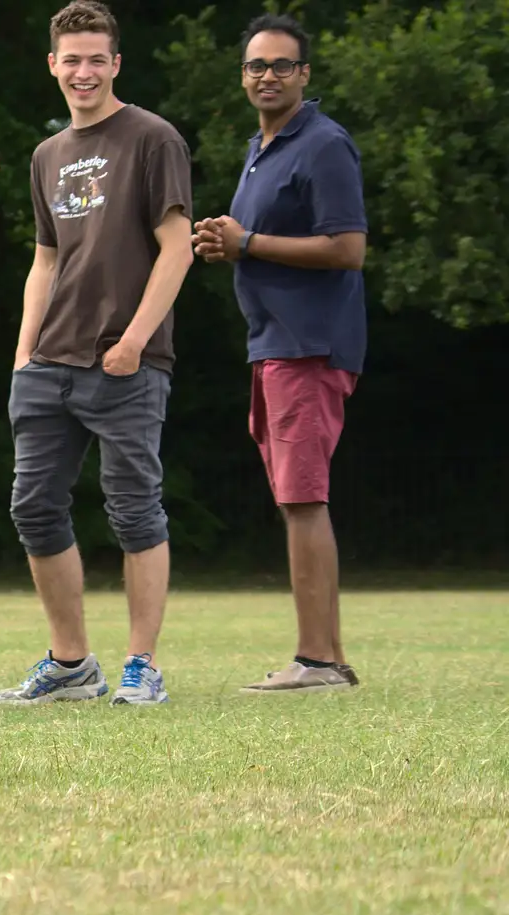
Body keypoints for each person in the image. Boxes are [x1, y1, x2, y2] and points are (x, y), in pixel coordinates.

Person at [0, 0, 193, 708]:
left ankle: (142, 666)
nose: (83, 72)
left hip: (128, 362)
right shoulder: (47, 154)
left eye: (95, 59)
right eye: (70, 59)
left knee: (134, 510)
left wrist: (136, 339)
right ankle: (71, 663)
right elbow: (46, 259)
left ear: (116, 64)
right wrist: (24, 353)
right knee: (34, 508)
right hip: (49, 363)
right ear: (53, 65)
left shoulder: (152, 139)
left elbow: (178, 247)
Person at [193, 13, 366, 694]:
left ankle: (318, 661)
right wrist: (224, 243)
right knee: (296, 497)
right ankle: (326, 655)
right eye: (256, 66)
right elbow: (254, 237)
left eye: (281, 65)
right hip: (273, 345)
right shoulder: (263, 147)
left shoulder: (323, 145)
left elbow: (347, 248)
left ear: (305, 75)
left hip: (310, 345)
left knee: (303, 498)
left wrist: (248, 244)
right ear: (243, 77)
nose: (268, 76)